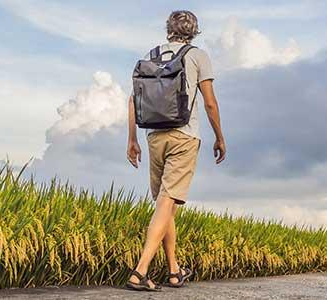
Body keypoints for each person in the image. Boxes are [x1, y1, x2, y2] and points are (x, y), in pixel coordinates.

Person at [125, 10, 226, 291]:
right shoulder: (197, 56)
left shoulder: (153, 54)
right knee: (167, 203)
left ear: (168, 29)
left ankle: (173, 271)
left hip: (154, 136)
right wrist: (220, 136)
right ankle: (140, 271)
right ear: (194, 31)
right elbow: (209, 103)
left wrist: (132, 139)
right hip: (184, 136)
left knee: (165, 206)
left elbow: (134, 100)